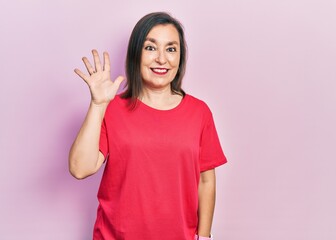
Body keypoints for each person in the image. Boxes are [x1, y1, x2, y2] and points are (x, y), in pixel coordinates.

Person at [69, 12, 227, 240]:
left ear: (180, 58)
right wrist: (98, 104)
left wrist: (204, 237)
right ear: (136, 54)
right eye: (151, 48)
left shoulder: (199, 112)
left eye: (171, 49)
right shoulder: (112, 108)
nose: (162, 59)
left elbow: (206, 180)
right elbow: (80, 168)